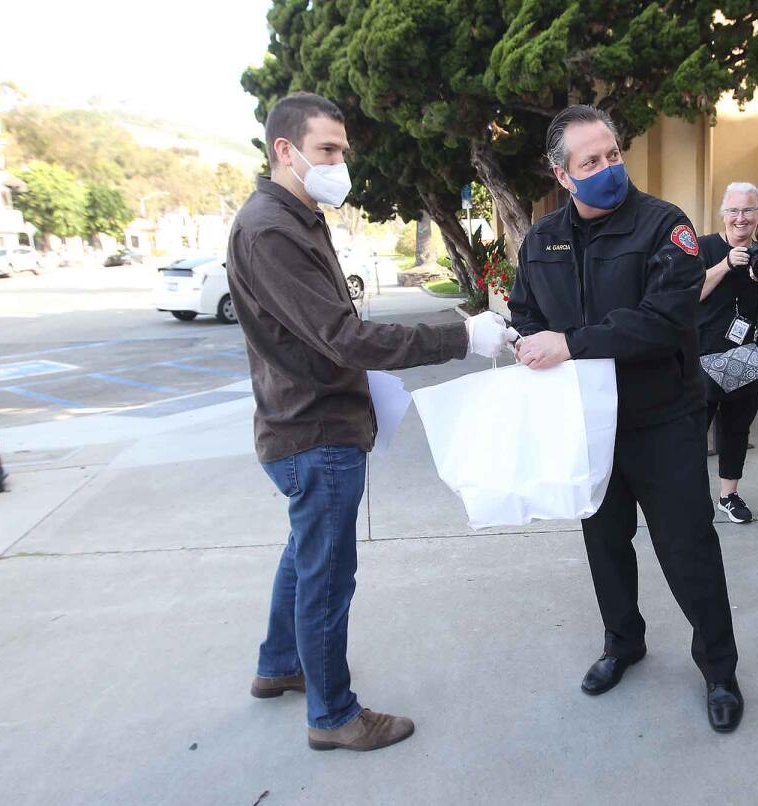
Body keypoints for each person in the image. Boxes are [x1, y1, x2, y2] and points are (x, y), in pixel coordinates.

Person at [226, 92, 510, 753]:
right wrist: (460, 337)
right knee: (327, 576)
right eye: (327, 150)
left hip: (307, 421)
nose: (339, 163)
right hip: (313, 433)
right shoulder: (271, 230)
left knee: (305, 554)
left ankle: (279, 665)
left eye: (342, 151)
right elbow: (344, 339)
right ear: (285, 151)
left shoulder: (296, 216)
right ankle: (333, 717)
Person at [509, 105, 744, 732]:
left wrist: (571, 342)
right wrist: (528, 341)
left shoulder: (664, 226)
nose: (609, 168)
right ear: (563, 175)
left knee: (687, 547)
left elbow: (665, 321)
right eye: (591, 162)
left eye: (613, 154)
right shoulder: (542, 239)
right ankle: (623, 642)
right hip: (588, 424)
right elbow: (525, 310)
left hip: (662, 418)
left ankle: (718, 666)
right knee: (605, 542)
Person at [697, 182, 758, 524]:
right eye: (734, 210)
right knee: (692, 431)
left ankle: (729, 495)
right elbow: (688, 295)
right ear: (723, 214)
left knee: (736, 427)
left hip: (748, 356)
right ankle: (689, 497)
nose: (741, 218)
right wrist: (724, 264)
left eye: (749, 210)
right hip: (702, 356)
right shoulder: (704, 248)